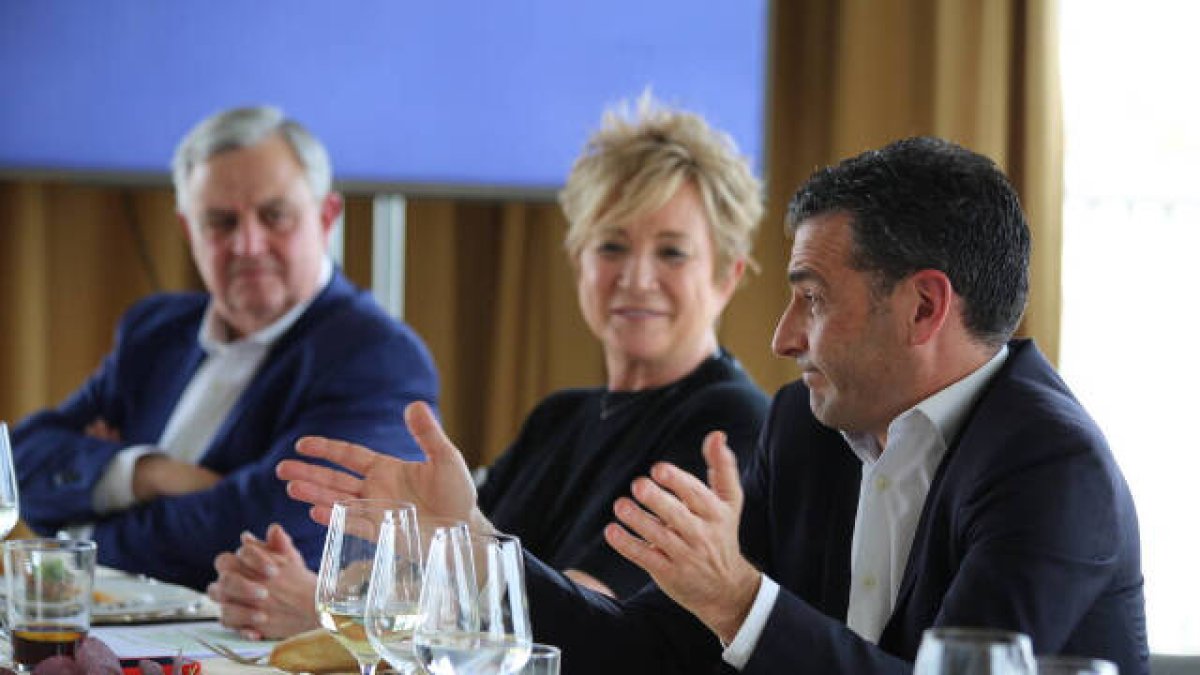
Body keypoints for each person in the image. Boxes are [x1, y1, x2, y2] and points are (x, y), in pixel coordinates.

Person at [279, 137, 1148, 673]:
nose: (780, 336)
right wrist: (471, 546)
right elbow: (644, 653)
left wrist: (740, 600)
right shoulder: (806, 431)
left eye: (810, 296)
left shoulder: (1048, 467)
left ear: (923, 307)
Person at [208, 98, 770, 639]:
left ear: (727, 274)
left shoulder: (729, 422)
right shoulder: (560, 415)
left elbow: (587, 625)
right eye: (611, 247)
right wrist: (320, 591)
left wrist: (330, 612)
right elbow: (434, 575)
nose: (636, 278)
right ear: (579, 262)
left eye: (672, 252)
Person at [12, 106, 439, 591]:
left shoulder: (376, 357)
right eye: (221, 222)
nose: (248, 245)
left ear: (327, 217)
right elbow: (21, 463)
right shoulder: (155, 331)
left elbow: (264, 528)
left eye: (274, 216)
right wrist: (147, 474)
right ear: (187, 229)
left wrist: (79, 533)